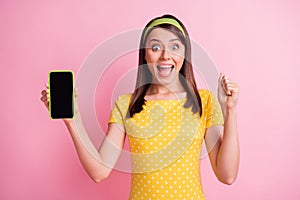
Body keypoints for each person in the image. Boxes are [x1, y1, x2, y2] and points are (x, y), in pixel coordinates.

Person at [40, 14, 240, 200]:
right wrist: (73, 120)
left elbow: (227, 175)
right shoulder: (127, 105)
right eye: (155, 48)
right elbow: (100, 172)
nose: (165, 56)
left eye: (175, 47)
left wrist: (230, 111)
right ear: (145, 55)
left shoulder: (203, 101)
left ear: (185, 55)